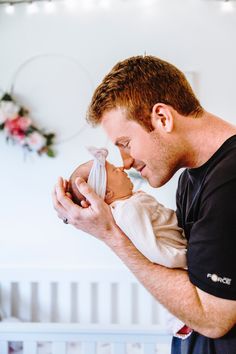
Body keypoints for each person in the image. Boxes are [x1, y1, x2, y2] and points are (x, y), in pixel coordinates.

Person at [52, 55, 236, 354]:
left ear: (162, 117)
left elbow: (215, 320)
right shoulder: (190, 177)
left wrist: (110, 234)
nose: (125, 162)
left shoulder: (229, 180)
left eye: (125, 143)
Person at [68, 146, 189, 338]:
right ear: (107, 194)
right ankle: (182, 321)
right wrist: (188, 258)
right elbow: (152, 251)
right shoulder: (127, 210)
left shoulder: (132, 202)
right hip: (178, 261)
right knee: (187, 298)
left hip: (181, 250)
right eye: (115, 170)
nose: (122, 168)